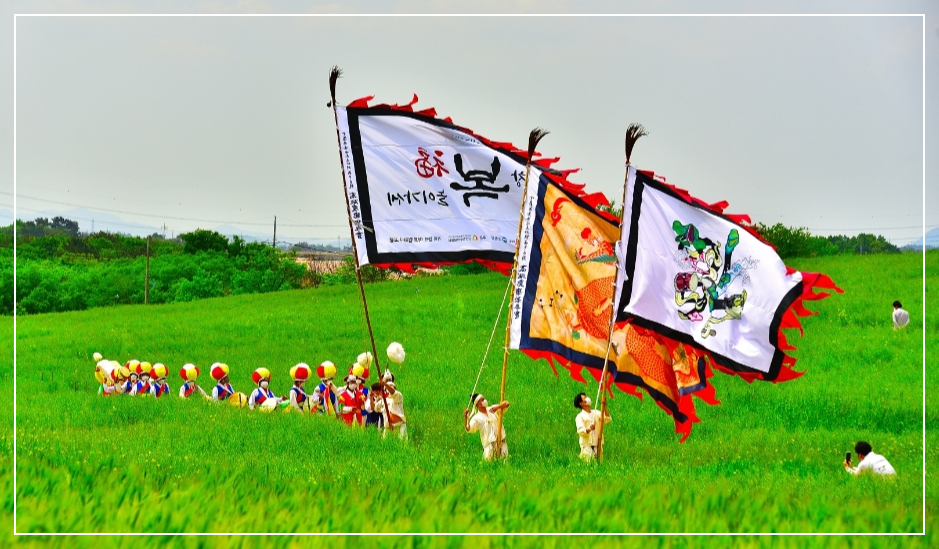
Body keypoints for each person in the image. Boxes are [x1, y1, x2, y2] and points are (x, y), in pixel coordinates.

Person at [463, 393, 510, 460]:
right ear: (478, 404)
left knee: (504, 462)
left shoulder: (492, 409)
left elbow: (507, 403)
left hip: (501, 443)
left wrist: (497, 407)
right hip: (489, 446)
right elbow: (468, 428)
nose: (484, 400)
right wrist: (466, 418)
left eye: (484, 399)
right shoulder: (477, 418)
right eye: (482, 400)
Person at [574, 392, 612, 461]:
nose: (587, 399)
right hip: (587, 447)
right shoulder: (580, 416)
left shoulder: (596, 412)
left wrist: (604, 406)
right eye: (585, 399)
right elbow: (581, 431)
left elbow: (607, 418)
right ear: (581, 403)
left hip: (598, 446)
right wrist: (589, 429)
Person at [381, 376, 407, 440]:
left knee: (402, 445)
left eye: (392, 387)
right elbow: (375, 408)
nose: (390, 388)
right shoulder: (384, 400)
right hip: (388, 428)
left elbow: (394, 393)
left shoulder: (399, 396)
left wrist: (385, 384)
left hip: (399, 426)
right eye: (389, 387)